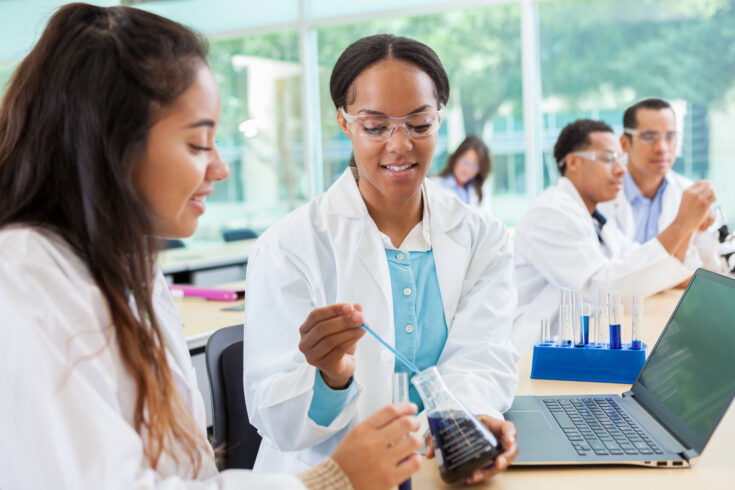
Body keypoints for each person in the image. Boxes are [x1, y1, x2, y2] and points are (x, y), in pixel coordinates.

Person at [0, 4, 424, 489]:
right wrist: (330, 481)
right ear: (109, 144)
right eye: (199, 145)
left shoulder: (129, 273)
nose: (221, 169)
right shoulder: (23, 283)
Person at [243, 34, 519, 484]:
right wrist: (329, 376)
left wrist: (469, 418)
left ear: (439, 121)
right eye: (375, 127)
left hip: (440, 470)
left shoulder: (482, 237)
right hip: (329, 475)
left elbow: (482, 356)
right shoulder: (289, 245)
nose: (399, 146)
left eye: (419, 124)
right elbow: (273, 416)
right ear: (344, 122)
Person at [512, 119, 715, 356]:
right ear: (573, 162)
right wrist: (681, 224)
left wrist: (689, 226)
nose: (621, 170)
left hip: (576, 349)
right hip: (533, 356)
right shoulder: (550, 214)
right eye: (609, 159)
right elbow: (604, 289)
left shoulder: (596, 220)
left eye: (621, 160)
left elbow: (641, 267)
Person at [598, 98, 728, 275]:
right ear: (624, 144)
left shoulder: (690, 194)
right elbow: (608, 272)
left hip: (669, 302)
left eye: (670, 136)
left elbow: (712, 270)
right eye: (648, 137)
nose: (661, 147)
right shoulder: (600, 196)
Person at [431, 135, 492, 210]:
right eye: (465, 162)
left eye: (474, 166)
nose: (467, 170)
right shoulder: (434, 185)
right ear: (456, 157)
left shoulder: (481, 190)